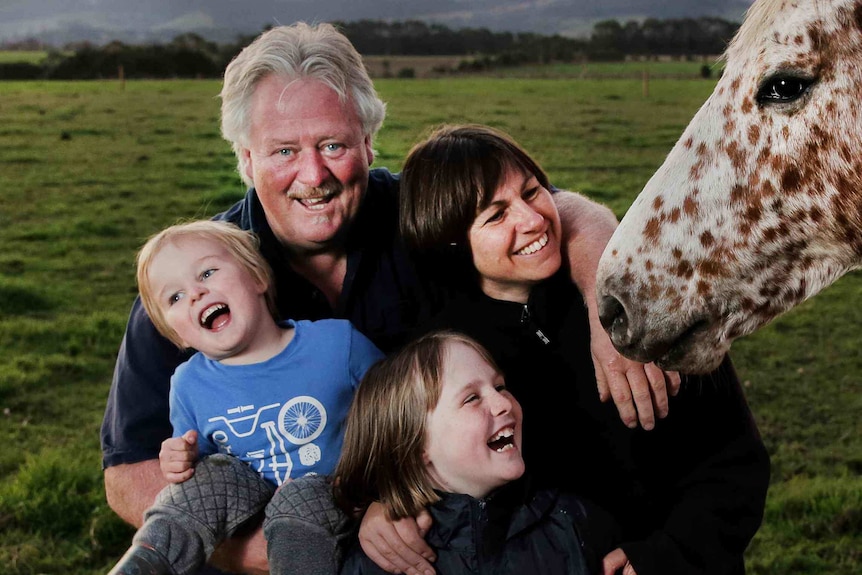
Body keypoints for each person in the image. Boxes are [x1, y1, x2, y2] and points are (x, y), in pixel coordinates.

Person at [101, 22, 676, 575]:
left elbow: (552, 212)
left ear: (369, 143)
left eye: (333, 144)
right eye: (282, 151)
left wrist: (608, 305)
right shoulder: (197, 281)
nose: (313, 174)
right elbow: (127, 471)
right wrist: (271, 554)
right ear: (245, 159)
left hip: (429, 538)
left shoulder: (423, 219)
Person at [358, 124, 770, 575]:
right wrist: (382, 505)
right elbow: (429, 473)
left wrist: (668, 556)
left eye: (533, 192)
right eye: (496, 216)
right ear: (451, 243)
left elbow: (735, 461)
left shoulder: (647, 304)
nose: (533, 219)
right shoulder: (449, 357)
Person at [107, 220, 383, 575]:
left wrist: (378, 486)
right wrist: (179, 458)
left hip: (328, 495)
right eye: (175, 297)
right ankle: (147, 563)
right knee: (200, 490)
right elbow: (197, 464)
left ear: (257, 279)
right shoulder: (188, 384)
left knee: (301, 503)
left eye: (207, 273)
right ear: (177, 335)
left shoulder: (336, 345)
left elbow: (397, 408)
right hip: (243, 506)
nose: (195, 294)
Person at [335, 330, 622, 574]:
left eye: (500, 386)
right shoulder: (378, 561)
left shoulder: (576, 522)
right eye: (472, 398)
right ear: (415, 447)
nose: (503, 403)